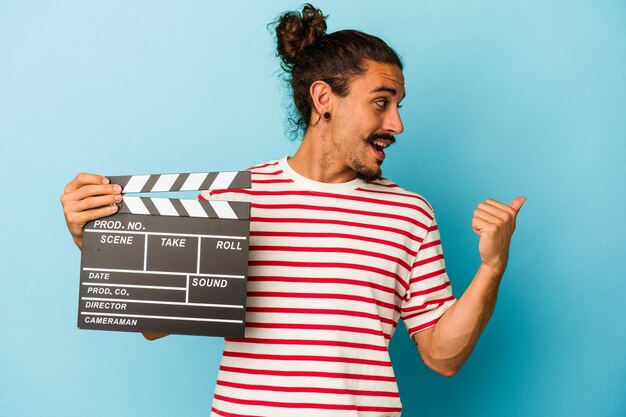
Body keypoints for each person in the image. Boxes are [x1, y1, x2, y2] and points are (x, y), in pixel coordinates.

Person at [61, 4, 525, 416]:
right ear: (324, 99)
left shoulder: (410, 214)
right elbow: (156, 326)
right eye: (381, 103)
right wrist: (97, 242)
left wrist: (491, 267)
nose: (397, 124)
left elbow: (442, 357)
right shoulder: (236, 198)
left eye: (399, 105)